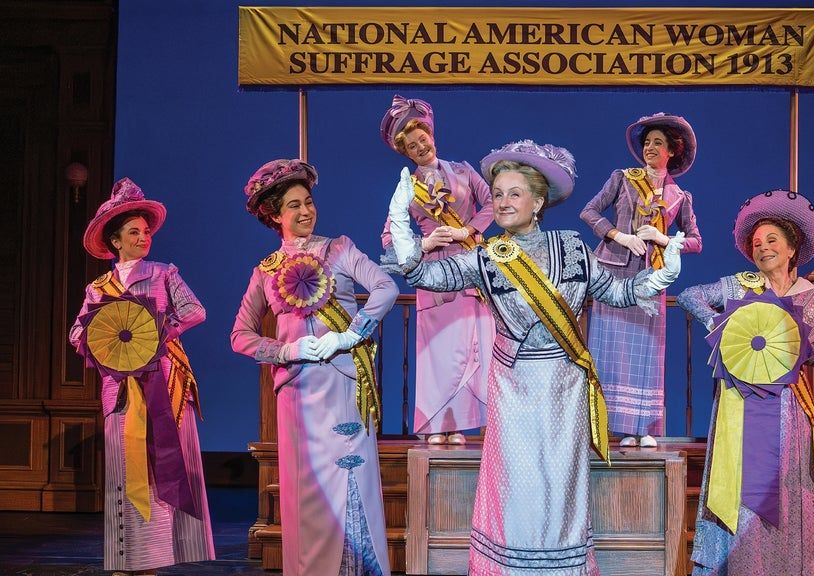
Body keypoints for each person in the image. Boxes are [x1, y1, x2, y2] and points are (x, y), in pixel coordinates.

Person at [386, 140, 685, 575]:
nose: (503, 202)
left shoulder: (573, 247)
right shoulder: (486, 257)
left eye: (514, 193)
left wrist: (661, 275)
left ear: (538, 202)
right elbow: (423, 274)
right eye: (498, 194)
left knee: (562, 484)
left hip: (565, 387)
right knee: (516, 486)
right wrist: (401, 223)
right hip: (513, 388)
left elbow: (617, 292)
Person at [230, 159, 397, 576]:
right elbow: (240, 335)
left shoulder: (338, 249)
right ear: (274, 215)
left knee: (349, 482)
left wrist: (349, 335)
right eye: (294, 205)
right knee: (308, 492)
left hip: (343, 380)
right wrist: (286, 350)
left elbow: (385, 287)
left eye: (308, 202)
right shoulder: (266, 271)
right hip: (298, 391)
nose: (306, 211)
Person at [677, 190, 814, 575]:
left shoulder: (811, 300)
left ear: (792, 248)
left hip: (788, 410)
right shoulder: (740, 285)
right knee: (741, 489)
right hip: (740, 407)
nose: (762, 247)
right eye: (756, 242)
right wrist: (722, 325)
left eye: (771, 240)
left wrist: (799, 347)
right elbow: (689, 296)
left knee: (784, 490)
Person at [70, 178, 215, 575]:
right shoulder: (99, 288)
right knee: (125, 467)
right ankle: (127, 557)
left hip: (163, 382)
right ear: (115, 241)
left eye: (146, 231)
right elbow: (77, 334)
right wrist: (108, 348)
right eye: (133, 232)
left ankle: (159, 556)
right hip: (120, 388)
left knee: (162, 462)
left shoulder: (163, 273)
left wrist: (159, 332)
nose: (143, 237)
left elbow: (195, 311)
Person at [580, 112, 702, 447]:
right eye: (647, 142)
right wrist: (618, 235)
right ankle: (608, 426)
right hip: (613, 275)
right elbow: (589, 211)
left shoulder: (679, 196)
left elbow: (696, 241)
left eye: (658, 143)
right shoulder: (622, 178)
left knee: (647, 353)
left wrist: (665, 240)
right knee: (610, 351)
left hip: (651, 279)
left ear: (671, 151)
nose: (650, 148)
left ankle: (643, 428)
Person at [379, 95, 495, 445]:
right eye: (411, 146)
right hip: (433, 275)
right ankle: (436, 426)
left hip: (471, 268)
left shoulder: (464, 170)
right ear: (406, 153)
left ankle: (465, 424)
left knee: (474, 348)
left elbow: (493, 203)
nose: (420, 147)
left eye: (422, 139)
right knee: (439, 353)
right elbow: (388, 238)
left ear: (431, 135)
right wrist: (423, 244)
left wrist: (468, 230)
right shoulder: (406, 188)